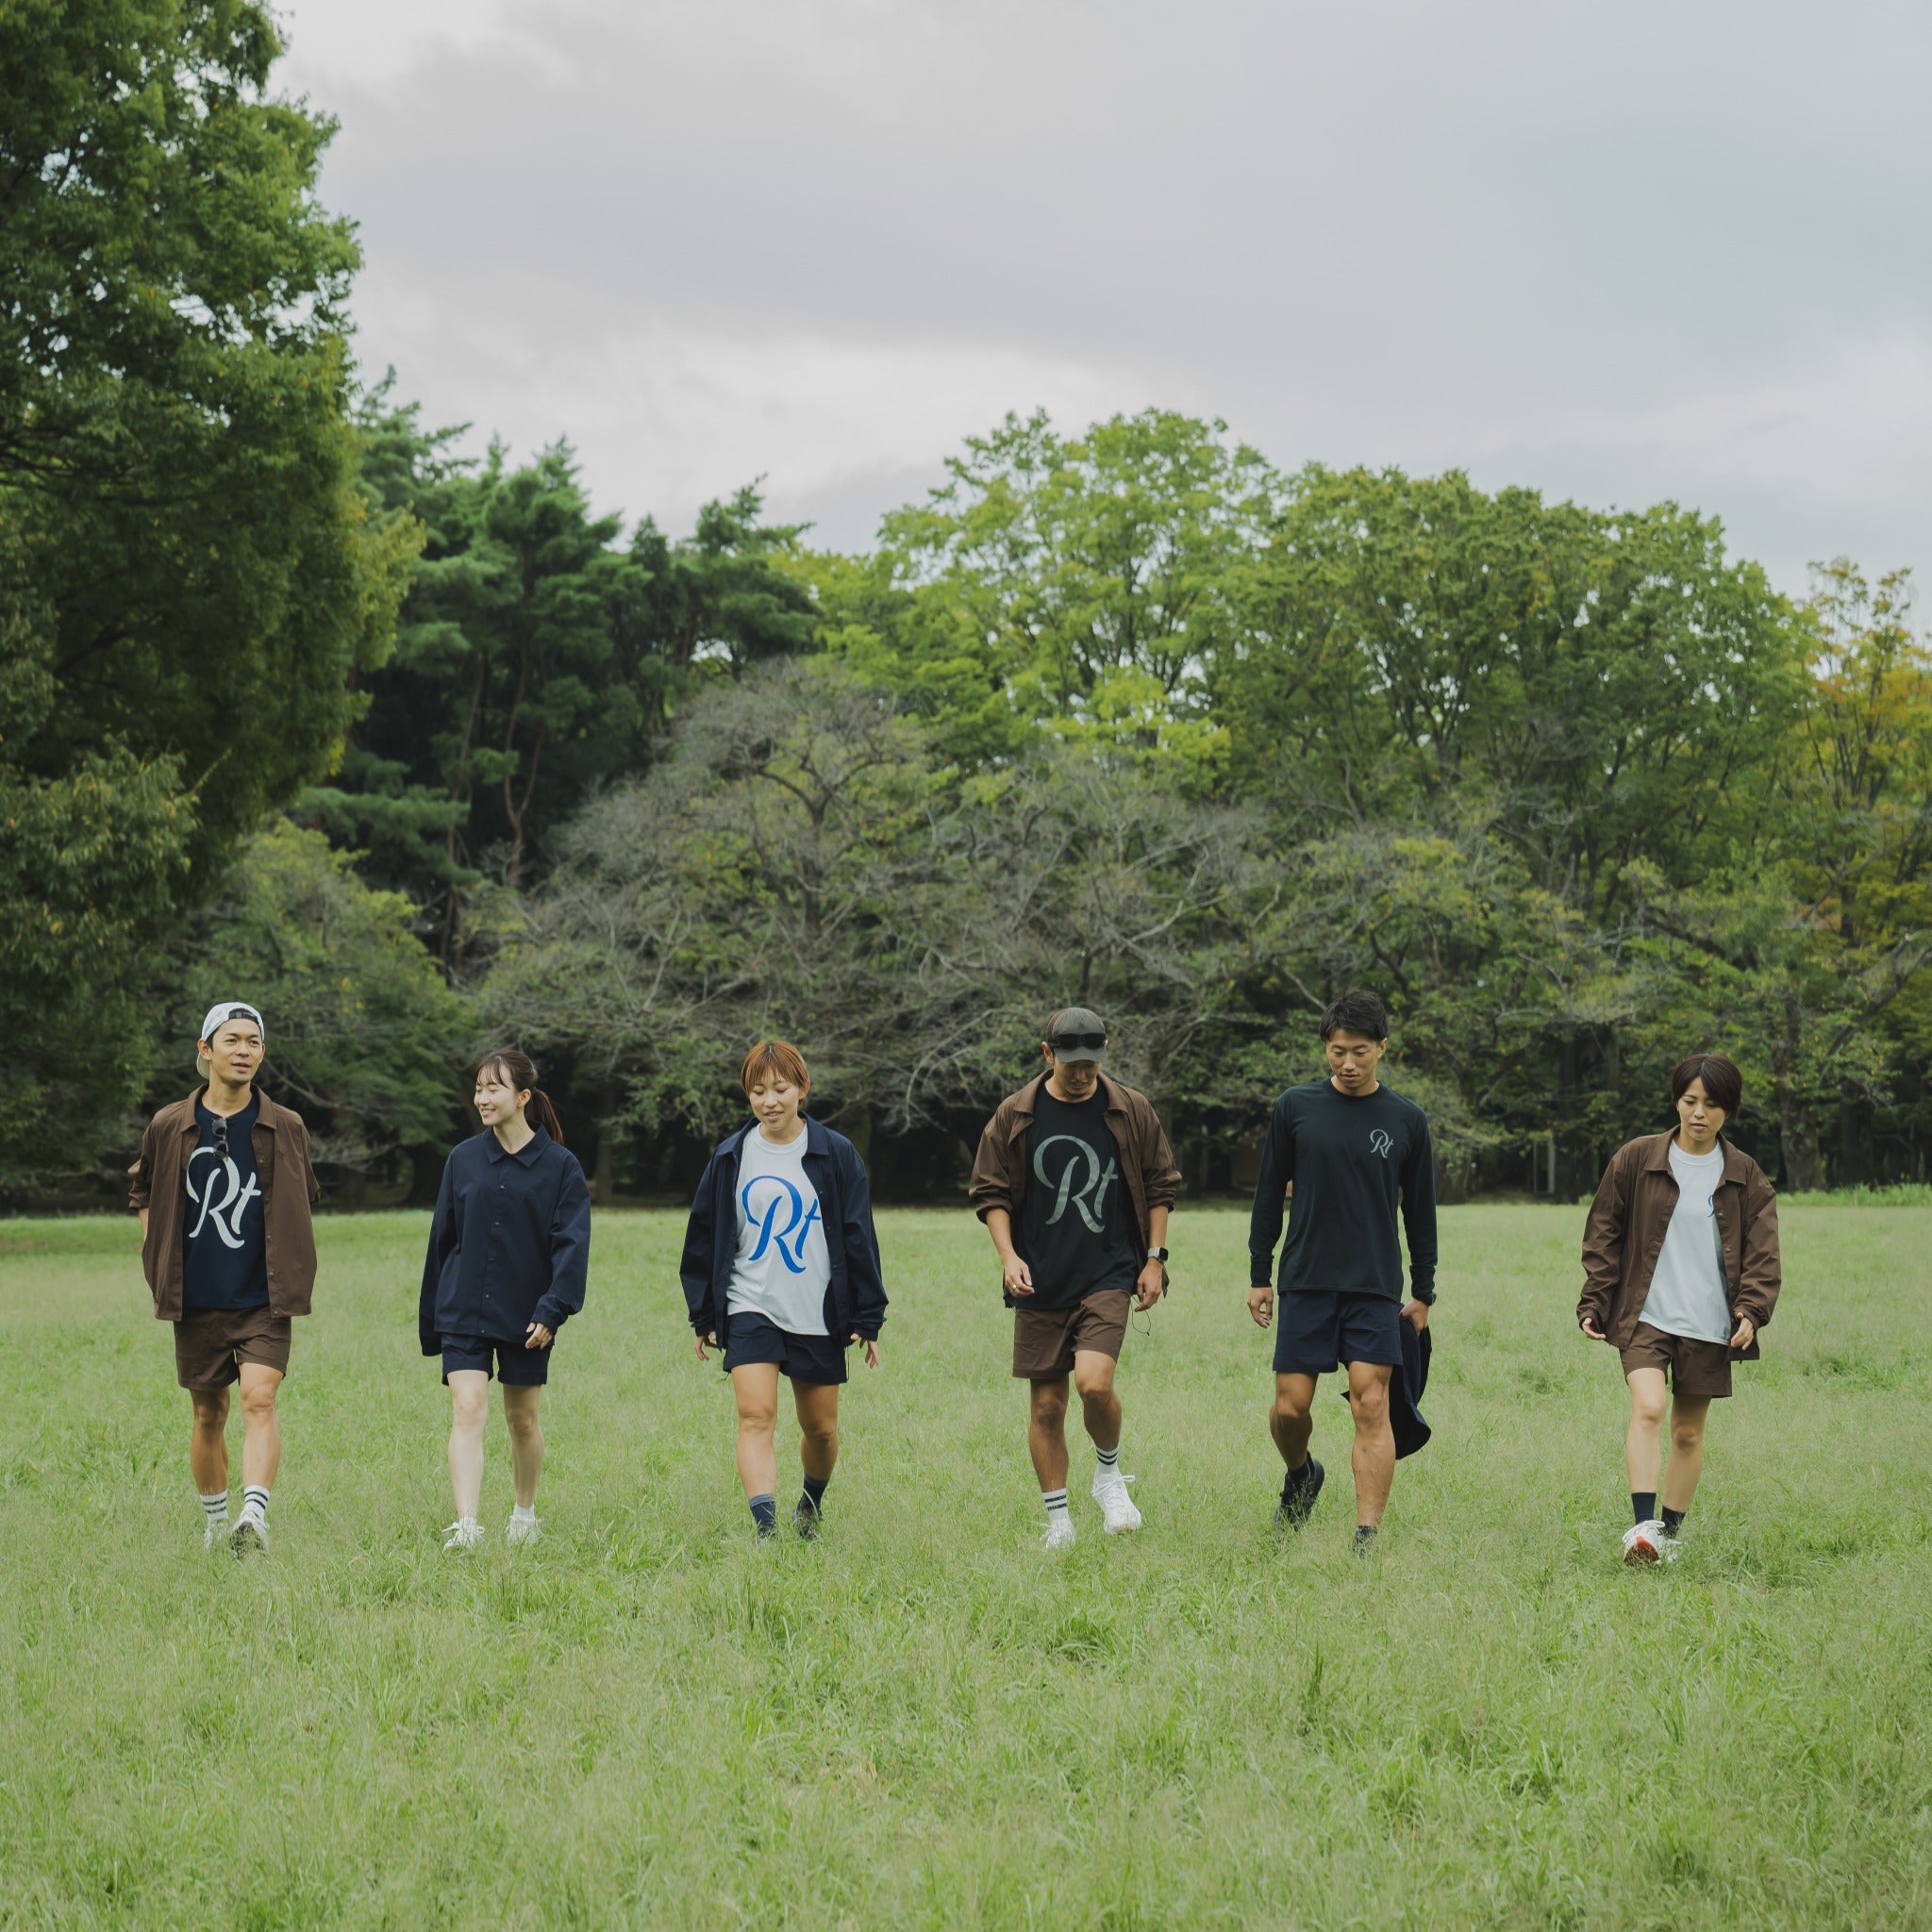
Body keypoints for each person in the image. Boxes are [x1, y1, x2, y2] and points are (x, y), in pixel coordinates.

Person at [970, 1008, 1181, 1548]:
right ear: (1047, 1055)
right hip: (1040, 1279)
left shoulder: (1129, 1109)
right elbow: (990, 1191)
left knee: (1094, 1382)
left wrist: (1154, 1259)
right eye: (1071, 1064)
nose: (1083, 1074)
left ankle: (1108, 1475)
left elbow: (1161, 1185)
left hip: (1107, 1273)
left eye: (1092, 1063)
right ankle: (1058, 1521)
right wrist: (1007, 1255)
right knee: (1046, 1405)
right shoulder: (1015, 1115)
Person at [1246, 988, 1437, 1555]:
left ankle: (1366, 1535)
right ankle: (1302, 1472)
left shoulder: (1407, 1120)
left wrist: (1423, 1290)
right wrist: (1260, 1273)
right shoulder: (1295, 1108)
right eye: (1336, 1052)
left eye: (1359, 1051)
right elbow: (1265, 1197)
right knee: (1289, 1406)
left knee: (1371, 1401)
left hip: (1374, 1285)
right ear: (1325, 1049)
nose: (1348, 1064)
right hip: (1305, 1278)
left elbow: (1420, 1210)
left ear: (1382, 1047)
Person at [128, 1002, 320, 1555]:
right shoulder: (169, 1125)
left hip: (264, 1295)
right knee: (208, 1412)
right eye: (232, 1040)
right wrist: (156, 1253)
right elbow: (141, 1190)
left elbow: (304, 1193)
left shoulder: (286, 1126)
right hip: (196, 1299)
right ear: (205, 1049)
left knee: (260, 1398)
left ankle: (253, 1517)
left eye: (254, 1042)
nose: (244, 1051)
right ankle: (216, 1523)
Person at [1578, 1053, 1780, 1565]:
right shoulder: (1636, 1158)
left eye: (1711, 1104)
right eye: (1690, 1101)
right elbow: (1604, 1232)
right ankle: (1642, 1528)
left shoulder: (1746, 1177)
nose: (1699, 1113)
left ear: (1727, 1111)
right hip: (1646, 1314)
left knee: (1688, 1432)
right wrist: (1594, 1301)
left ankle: (1664, 1539)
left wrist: (1751, 1313)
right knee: (1647, 1407)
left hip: (1710, 1322)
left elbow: (1762, 1255)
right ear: (1677, 1100)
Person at [680, 1041, 887, 1540]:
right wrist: (704, 1315)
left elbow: (859, 1235)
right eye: (757, 1091)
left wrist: (868, 1318)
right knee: (755, 1415)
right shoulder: (732, 1155)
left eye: (780, 1089)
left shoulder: (834, 1153)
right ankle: (766, 1531)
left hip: (817, 1310)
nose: (769, 1101)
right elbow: (703, 1235)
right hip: (750, 1302)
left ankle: (810, 1507)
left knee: (820, 1428)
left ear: (802, 1089)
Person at [419, 1050, 591, 1551]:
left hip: (528, 1314)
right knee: (468, 1409)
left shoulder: (560, 1166)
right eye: (478, 1087)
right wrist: (435, 1315)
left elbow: (572, 1246)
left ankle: (524, 1513)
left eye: (493, 1088)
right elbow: (441, 1242)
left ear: (522, 1097)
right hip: (464, 1309)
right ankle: (468, 1526)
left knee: (522, 1420)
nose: (482, 1098)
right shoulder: (462, 1160)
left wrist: (552, 1309)